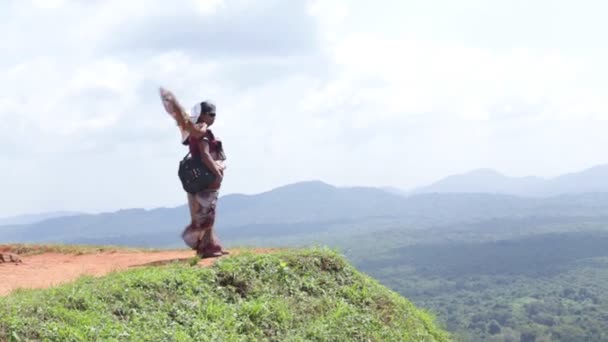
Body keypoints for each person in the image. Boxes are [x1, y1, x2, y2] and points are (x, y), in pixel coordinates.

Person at [161, 90, 228, 257]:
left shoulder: (195, 132)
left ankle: (209, 246)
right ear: (202, 115)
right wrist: (217, 173)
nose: (214, 117)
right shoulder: (202, 133)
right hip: (206, 182)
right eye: (211, 114)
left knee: (204, 214)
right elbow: (205, 155)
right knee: (207, 215)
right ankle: (204, 246)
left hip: (198, 180)